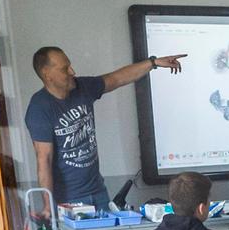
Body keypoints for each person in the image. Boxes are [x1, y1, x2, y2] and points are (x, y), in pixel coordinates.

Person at [25, 46, 185, 208]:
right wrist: (48, 206)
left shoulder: (83, 88)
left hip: (98, 192)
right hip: (68, 200)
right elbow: (44, 159)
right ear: (47, 74)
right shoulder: (40, 107)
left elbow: (117, 78)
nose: (72, 71)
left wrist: (153, 62)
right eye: (65, 69)